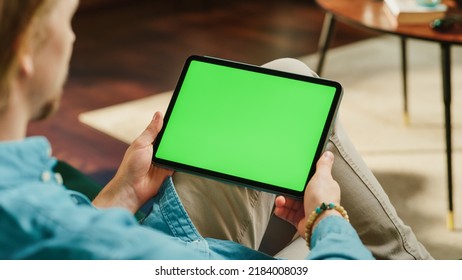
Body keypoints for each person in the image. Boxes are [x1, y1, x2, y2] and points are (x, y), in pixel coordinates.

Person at [0, 0, 431, 260]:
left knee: (285, 78)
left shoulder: (25, 200)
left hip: (156, 239)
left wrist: (124, 193)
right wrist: (325, 218)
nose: (71, 39)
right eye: (65, 22)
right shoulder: (64, 227)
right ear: (26, 53)